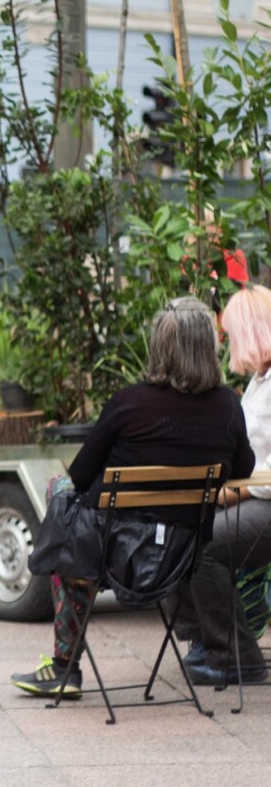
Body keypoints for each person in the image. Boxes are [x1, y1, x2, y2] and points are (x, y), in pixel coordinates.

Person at [11, 296, 254, 697]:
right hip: (182, 558)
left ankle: (64, 666)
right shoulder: (227, 406)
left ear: (158, 346)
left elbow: (81, 475)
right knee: (77, 514)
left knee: (61, 495)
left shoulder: (128, 404)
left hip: (115, 556)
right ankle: (63, 663)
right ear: (208, 349)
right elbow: (242, 472)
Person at [169, 284, 271, 685]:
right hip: (252, 495)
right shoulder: (260, 381)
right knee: (173, 532)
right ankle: (204, 642)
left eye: (230, 333)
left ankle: (237, 656)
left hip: (265, 499)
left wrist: (234, 493)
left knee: (205, 545)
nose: (226, 342)